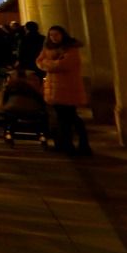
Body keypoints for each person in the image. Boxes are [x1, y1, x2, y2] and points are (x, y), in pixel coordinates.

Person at [37, 25, 91, 156]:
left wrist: (48, 64)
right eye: (51, 35)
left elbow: (63, 65)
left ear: (63, 35)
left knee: (71, 117)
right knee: (61, 118)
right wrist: (51, 63)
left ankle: (81, 144)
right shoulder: (48, 48)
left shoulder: (71, 48)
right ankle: (64, 144)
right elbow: (39, 61)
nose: (53, 37)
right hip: (53, 88)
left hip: (68, 87)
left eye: (56, 34)